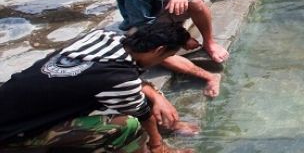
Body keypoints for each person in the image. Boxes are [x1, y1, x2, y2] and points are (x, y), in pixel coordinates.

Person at [0, 22, 195, 153]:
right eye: (164, 57)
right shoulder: (120, 78)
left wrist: (157, 96)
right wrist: (157, 144)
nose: (161, 62)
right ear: (159, 50)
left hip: (9, 103)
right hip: (14, 132)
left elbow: (127, 82)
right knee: (128, 126)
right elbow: (143, 116)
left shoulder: (102, 36)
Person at [113, 0, 226, 97]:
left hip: (166, 10)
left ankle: (209, 42)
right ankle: (209, 76)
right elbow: (144, 25)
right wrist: (182, 37)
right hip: (143, 23)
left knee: (197, 3)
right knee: (152, 51)